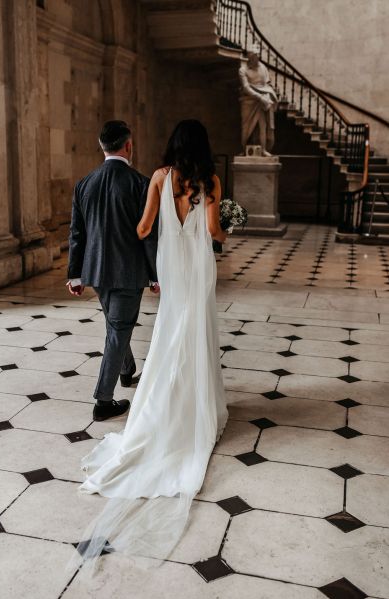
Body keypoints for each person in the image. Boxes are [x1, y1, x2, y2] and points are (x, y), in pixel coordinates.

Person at [68, 119, 228, 574]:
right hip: (197, 268)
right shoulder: (210, 181)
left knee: (167, 331)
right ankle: (196, 402)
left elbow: (142, 229)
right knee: (196, 330)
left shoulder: (158, 177)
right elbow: (215, 233)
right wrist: (223, 221)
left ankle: (161, 400)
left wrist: (154, 228)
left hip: (172, 267)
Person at [67, 120, 158, 422]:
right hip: (127, 272)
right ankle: (103, 401)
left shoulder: (84, 183)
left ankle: (126, 369)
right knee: (118, 330)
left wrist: (75, 274)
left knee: (116, 325)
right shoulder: (140, 183)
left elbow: (76, 234)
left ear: (102, 145)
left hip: (95, 271)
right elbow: (148, 235)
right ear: (128, 145)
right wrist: (156, 274)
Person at [239, 43, 278, 156]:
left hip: (263, 98)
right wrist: (260, 97)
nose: (258, 58)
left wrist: (268, 94)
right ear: (250, 57)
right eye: (255, 56)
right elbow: (246, 87)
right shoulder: (243, 70)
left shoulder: (263, 67)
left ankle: (263, 150)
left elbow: (267, 83)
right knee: (246, 126)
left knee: (263, 125)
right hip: (249, 100)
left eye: (258, 56)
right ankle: (244, 148)